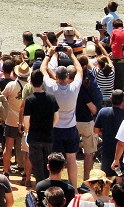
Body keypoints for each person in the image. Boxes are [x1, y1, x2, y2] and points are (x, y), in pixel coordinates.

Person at [41, 43, 82, 187]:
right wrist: (72, 54)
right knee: (71, 158)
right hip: (70, 128)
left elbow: (43, 69)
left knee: (54, 159)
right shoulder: (74, 87)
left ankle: (54, 186)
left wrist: (49, 54)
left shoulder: (51, 87)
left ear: (56, 76)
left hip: (56, 128)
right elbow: (80, 70)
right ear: (68, 76)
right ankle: (74, 188)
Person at [22, 69, 59, 187]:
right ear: (42, 82)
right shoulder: (51, 98)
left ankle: (41, 188)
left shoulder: (30, 100)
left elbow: (26, 121)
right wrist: (50, 127)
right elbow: (57, 117)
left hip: (34, 137)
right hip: (48, 136)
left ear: (31, 83)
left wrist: (29, 130)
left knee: (37, 166)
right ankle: (48, 188)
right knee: (47, 165)